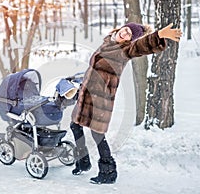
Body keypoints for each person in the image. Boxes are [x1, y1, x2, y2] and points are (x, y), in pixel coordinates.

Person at [70, 22, 182, 184]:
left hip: (100, 99)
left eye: (129, 34)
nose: (125, 34)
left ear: (130, 39)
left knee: (97, 134)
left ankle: (108, 171)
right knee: (75, 125)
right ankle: (83, 161)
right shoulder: (108, 42)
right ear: (120, 28)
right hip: (85, 95)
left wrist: (158, 36)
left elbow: (139, 47)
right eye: (126, 29)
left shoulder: (123, 50)